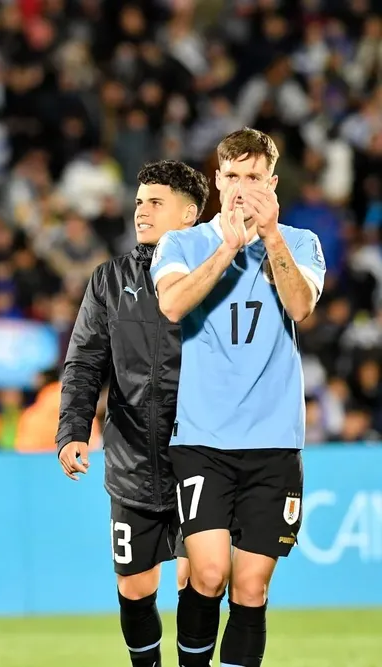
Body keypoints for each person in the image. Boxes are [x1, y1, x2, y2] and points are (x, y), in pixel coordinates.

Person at [150, 128, 326, 667]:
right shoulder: (182, 243)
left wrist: (269, 237)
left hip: (274, 441)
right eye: (232, 176)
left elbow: (301, 307)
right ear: (217, 181)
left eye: (254, 177)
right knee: (207, 574)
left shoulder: (299, 242)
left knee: (251, 588)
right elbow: (172, 305)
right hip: (203, 438)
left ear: (272, 183)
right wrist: (228, 247)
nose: (242, 188)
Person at [57, 160, 208, 667]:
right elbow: (84, 362)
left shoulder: (214, 274)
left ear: (188, 215)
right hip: (131, 458)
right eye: (140, 201)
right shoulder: (109, 279)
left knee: (200, 578)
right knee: (135, 588)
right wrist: (73, 430)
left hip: (199, 454)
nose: (141, 211)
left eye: (155, 202)